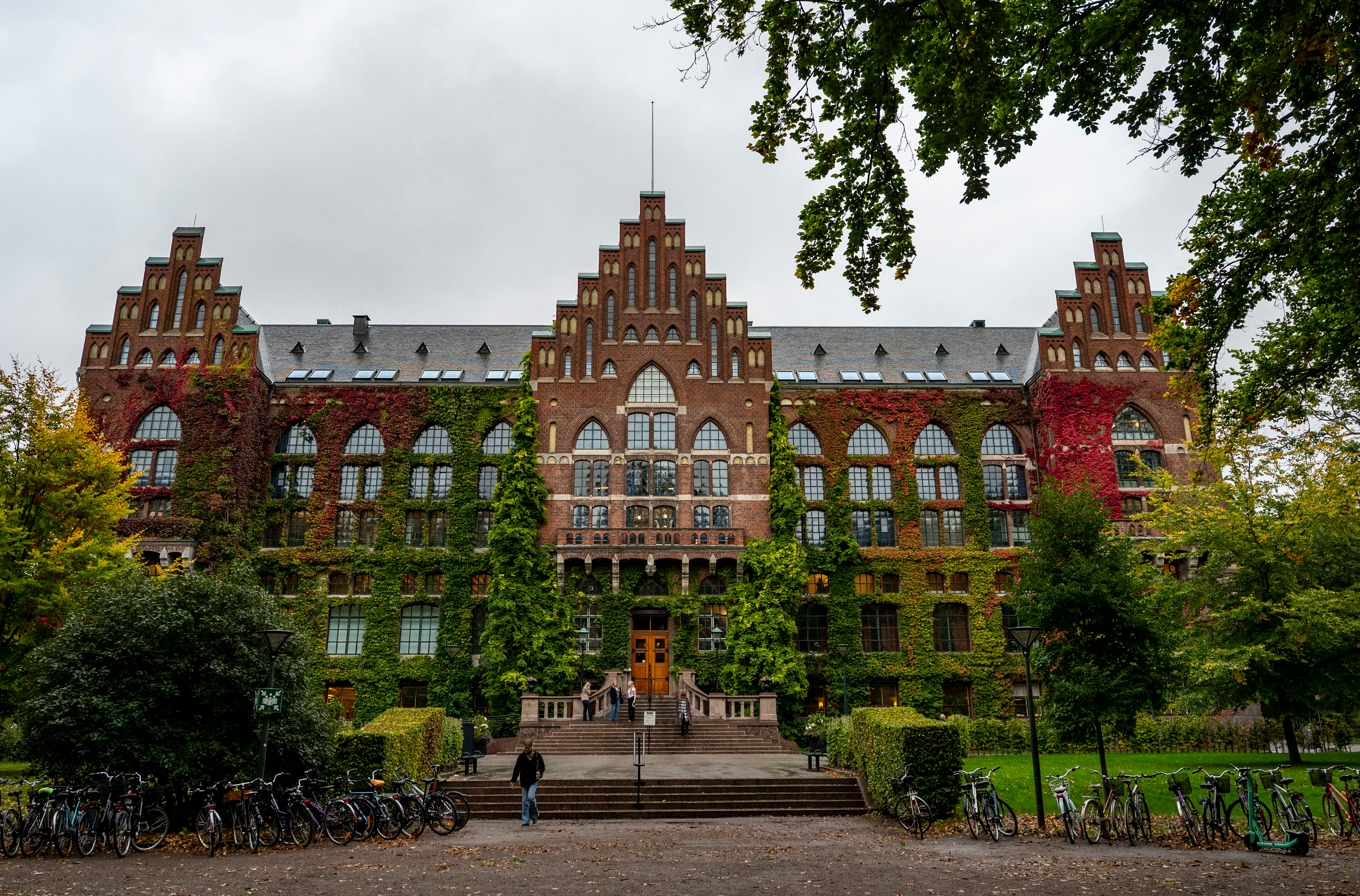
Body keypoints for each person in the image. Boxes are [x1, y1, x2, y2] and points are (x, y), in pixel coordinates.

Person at [511, 740, 545, 826]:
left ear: (531, 746)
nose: (526, 749)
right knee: (525, 801)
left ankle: (534, 814)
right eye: (525, 748)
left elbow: (542, 766)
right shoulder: (521, 756)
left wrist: (539, 772)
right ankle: (525, 820)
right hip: (524, 780)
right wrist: (513, 780)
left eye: (528, 748)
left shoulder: (537, 755)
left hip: (533, 780)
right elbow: (516, 769)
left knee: (530, 797)